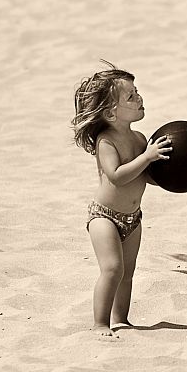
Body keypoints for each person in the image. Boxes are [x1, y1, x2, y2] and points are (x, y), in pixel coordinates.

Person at [72, 61, 171, 337]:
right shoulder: (107, 141)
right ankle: (100, 322)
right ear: (111, 112)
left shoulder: (140, 139)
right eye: (131, 96)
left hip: (132, 218)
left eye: (137, 91)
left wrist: (165, 172)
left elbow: (144, 175)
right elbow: (116, 176)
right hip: (104, 216)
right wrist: (146, 157)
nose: (139, 97)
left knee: (127, 272)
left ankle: (121, 319)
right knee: (112, 268)